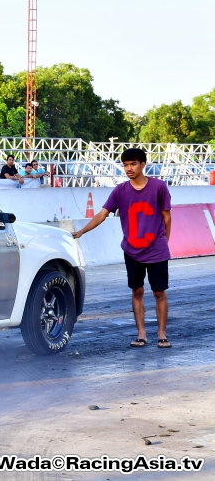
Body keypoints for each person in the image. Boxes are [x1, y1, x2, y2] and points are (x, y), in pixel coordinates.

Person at [71, 148, 172, 349]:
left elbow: (167, 217)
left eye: (133, 163)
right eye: (125, 164)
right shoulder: (120, 191)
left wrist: (164, 243)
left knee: (158, 292)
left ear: (143, 164)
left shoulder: (159, 187)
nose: (129, 168)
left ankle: (162, 333)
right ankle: (141, 334)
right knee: (137, 291)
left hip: (156, 249)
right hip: (132, 249)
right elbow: (102, 214)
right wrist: (82, 231)